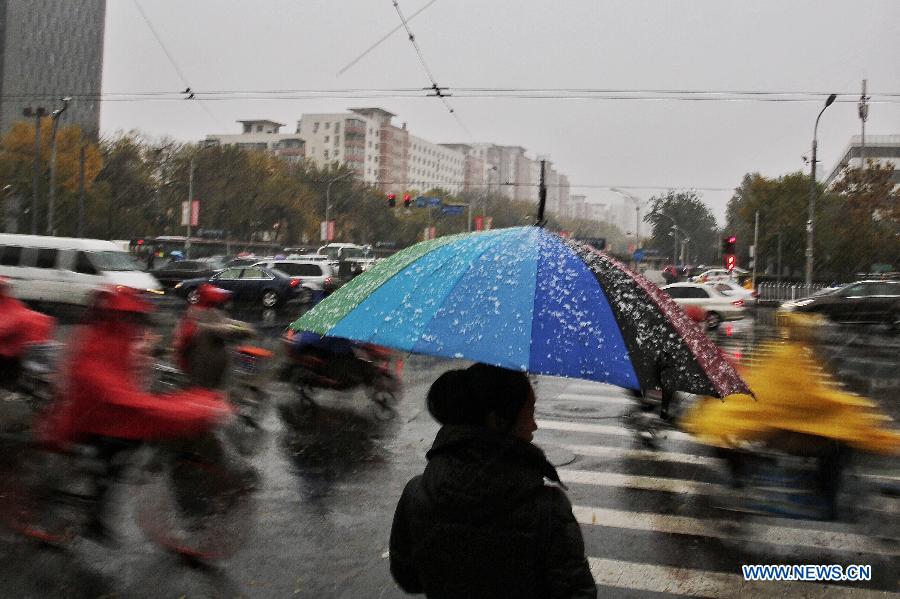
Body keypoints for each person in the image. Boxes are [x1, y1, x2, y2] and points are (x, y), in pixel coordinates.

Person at [38, 286, 233, 543]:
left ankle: (96, 501)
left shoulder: (118, 337)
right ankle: (94, 515)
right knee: (112, 454)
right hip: (94, 414)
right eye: (129, 318)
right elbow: (106, 386)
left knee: (124, 451)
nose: (133, 324)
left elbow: (130, 375)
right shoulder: (98, 343)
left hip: (115, 410)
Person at [389, 364, 596, 599]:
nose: (534, 425)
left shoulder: (417, 493)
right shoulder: (547, 508)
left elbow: (409, 578)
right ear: (497, 421)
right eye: (529, 413)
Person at [172, 283, 254, 388]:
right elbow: (216, 329)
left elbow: (227, 322)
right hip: (198, 367)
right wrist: (232, 329)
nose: (219, 307)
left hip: (214, 371)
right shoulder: (195, 315)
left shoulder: (214, 312)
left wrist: (242, 327)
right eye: (215, 303)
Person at [0, 277, 55, 388]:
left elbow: (9, 324)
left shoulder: (10, 304)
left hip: (11, 349)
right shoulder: (13, 303)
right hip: (20, 346)